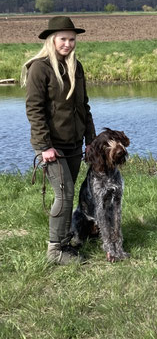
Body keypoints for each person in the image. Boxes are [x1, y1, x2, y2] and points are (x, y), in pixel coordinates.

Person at [22, 16, 95, 264]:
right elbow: (34, 109)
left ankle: (65, 244)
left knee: (68, 192)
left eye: (72, 39)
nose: (68, 43)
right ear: (52, 39)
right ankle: (55, 251)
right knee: (64, 195)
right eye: (63, 39)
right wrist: (44, 147)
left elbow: (84, 107)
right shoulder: (39, 68)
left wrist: (91, 142)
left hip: (74, 143)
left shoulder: (76, 67)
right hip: (52, 146)